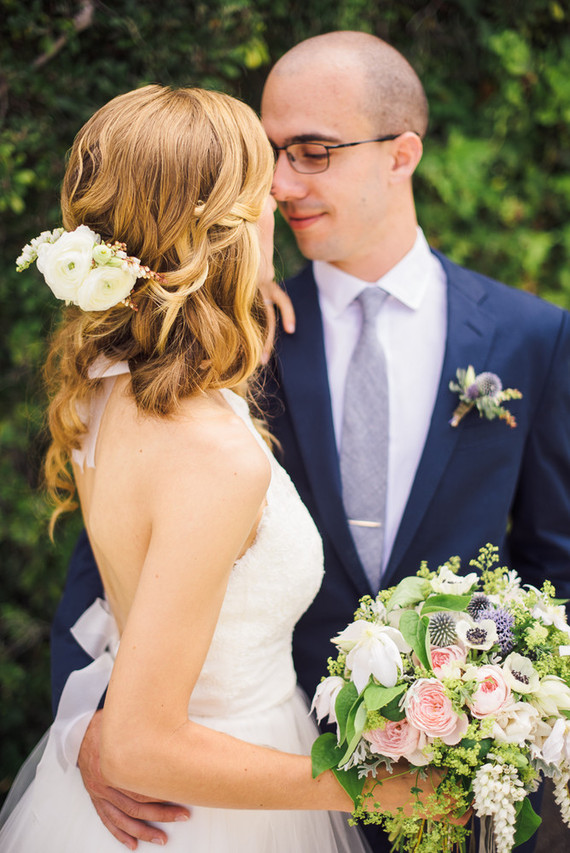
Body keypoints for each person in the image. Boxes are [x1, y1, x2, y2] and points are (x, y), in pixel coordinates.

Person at [48, 30, 570, 852]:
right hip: (243, 782)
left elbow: (553, 560)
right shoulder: (210, 361)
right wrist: (84, 723)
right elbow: (109, 575)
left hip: (466, 781)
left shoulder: (526, 334)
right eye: (269, 157)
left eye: (312, 152)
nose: (284, 185)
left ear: (402, 154)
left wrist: (494, 722)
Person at [0, 82, 450, 853]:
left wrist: (232, 301)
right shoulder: (211, 451)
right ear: (228, 230)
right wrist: (369, 783)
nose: (278, 196)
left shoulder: (113, 383)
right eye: (259, 191)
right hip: (210, 813)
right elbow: (139, 746)